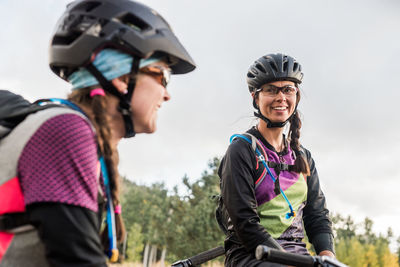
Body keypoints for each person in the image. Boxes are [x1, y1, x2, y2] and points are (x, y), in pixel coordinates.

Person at [0, 0, 195, 266]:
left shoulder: (81, 140)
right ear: (122, 78)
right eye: (163, 76)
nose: (167, 94)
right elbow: (77, 259)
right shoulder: (66, 130)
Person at [218, 53, 334, 266]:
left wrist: (327, 255)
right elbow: (245, 224)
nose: (281, 98)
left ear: (296, 95)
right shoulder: (242, 150)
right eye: (271, 90)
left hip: (300, 257)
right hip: (251, 255)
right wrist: (287, 261)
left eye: (288, 90)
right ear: (256, 97)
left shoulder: (302, 156)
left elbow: (317, 215)